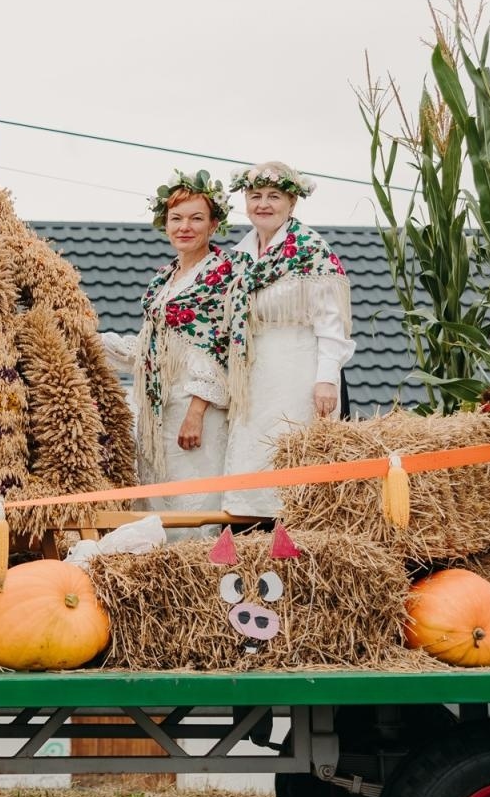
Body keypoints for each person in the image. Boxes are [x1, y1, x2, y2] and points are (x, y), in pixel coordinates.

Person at [101, 171, 237, 526]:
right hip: (159, 405)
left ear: (214, 225)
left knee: (194, 499)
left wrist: (196, 412)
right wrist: (91, 341)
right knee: (159, 497)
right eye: (176, 219)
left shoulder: (223, 274)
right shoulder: (163, 278)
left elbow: (221, 345)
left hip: (197, 408)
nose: (184, 227)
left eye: (196, 218)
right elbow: (151, 346)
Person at [222, 161, 354, 517]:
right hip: (254, 372)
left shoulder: (311, 251)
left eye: (273, 196)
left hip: (298, 369)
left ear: (292, 203)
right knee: (253, 456)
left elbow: (331, 323)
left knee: (288, 452)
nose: (263, 204)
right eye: (255, 196)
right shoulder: (240, 257)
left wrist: (326, 379)